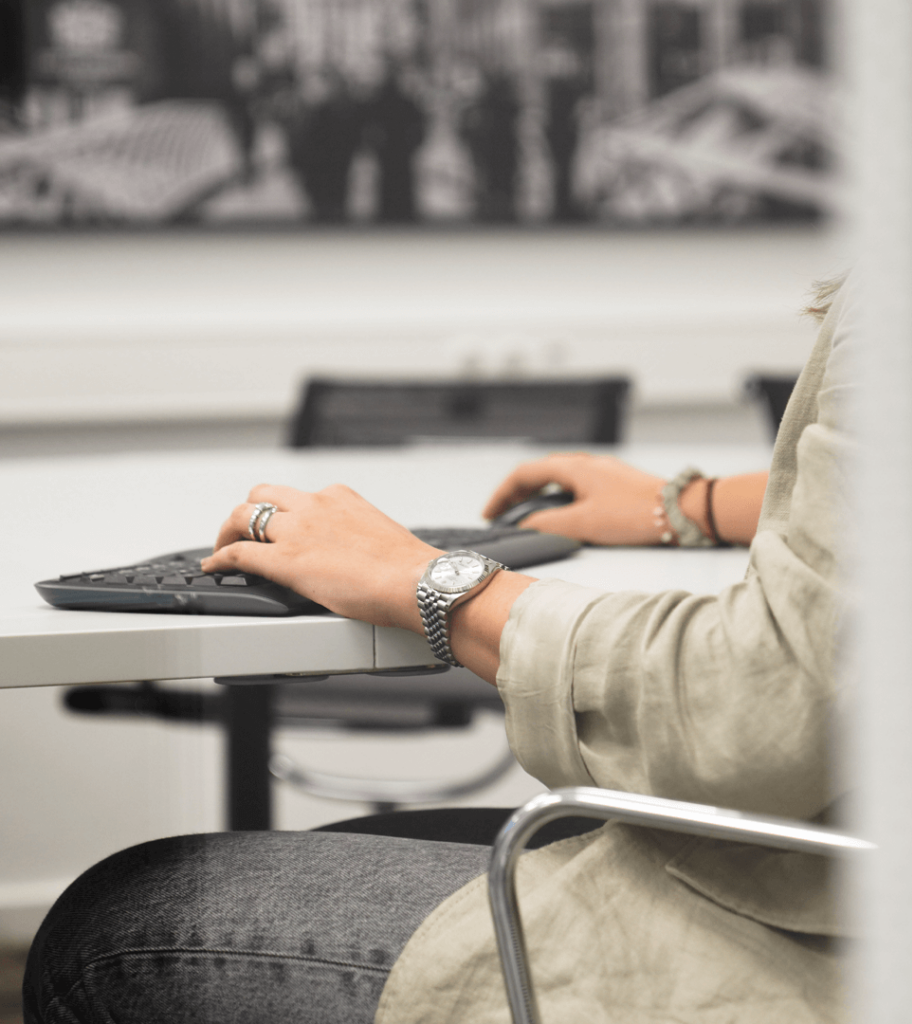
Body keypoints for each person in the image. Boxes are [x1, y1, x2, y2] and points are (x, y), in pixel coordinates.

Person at [23, 277, 854, 1024]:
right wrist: (695, 503)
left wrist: (435, 582)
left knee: (122, 924)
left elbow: (756, 701)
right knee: (322, 853)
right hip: (884, 876)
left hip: (835, 955)